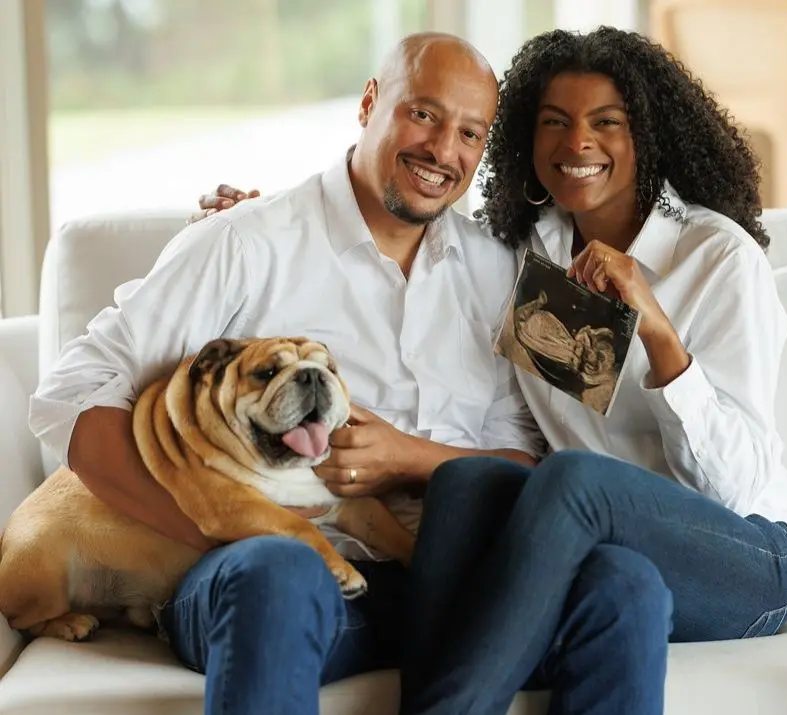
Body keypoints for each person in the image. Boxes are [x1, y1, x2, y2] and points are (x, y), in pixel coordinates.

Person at [203, 26, 787, 715]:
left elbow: (738, 483)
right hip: (604, 542)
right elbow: (388, 207)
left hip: (738, 555)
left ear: (649, 132)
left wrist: (659, 334)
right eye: (554, 122)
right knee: (470, 483)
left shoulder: (718, 257)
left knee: (572, 478)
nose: (577, 142)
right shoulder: (526, 254)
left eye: (606, 122)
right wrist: (268, 218)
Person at [28, 32, 545, 715]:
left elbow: (522, 457)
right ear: (369, 103)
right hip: (265, 575)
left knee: (614, 587)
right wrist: (222, 522)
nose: (443, 150)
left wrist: (405, 457)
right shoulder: (247, 241)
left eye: (470, 133)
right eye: (422, 114)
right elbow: (70, 396)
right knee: (280, 571)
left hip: (440, 575)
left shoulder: (499, 272)